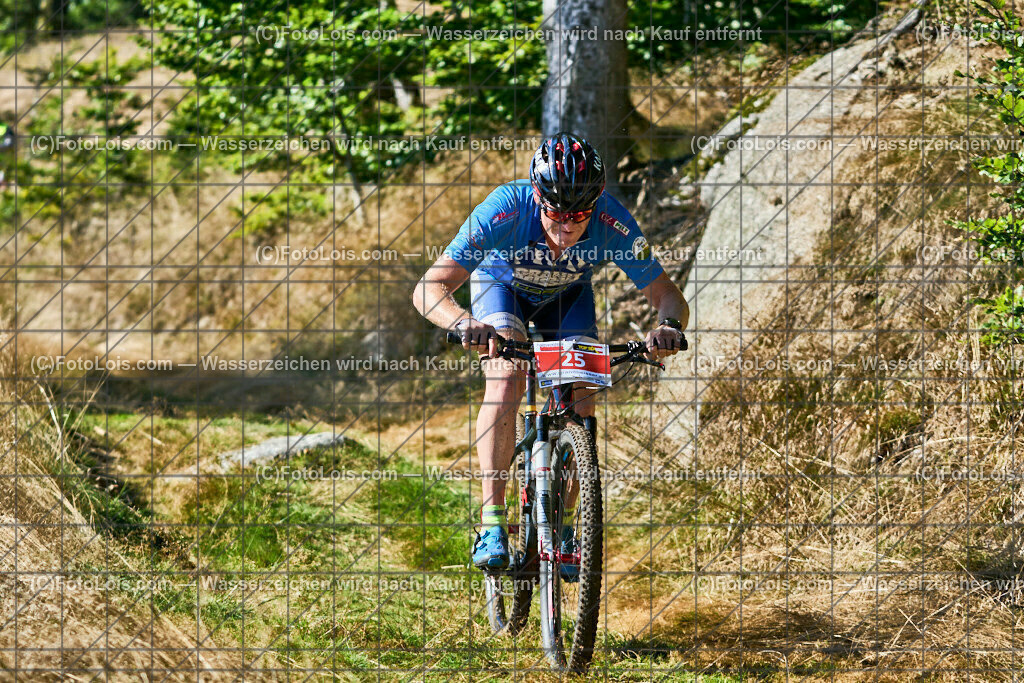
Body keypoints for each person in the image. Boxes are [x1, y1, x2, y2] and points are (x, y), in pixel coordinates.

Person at [412, 132, 688, 574]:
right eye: (556, 212)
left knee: (581, 395)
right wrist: (463, 323)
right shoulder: (504, 209)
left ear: (595, 204)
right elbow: (428, 287)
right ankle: (492, 522)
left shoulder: (612, 221)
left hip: (566, 297)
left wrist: (667, 327)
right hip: (501, 291)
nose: (567, 225)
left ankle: (560, 526)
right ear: (537, 198)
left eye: (579, 214)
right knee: (507, 377)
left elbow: (668, 295)